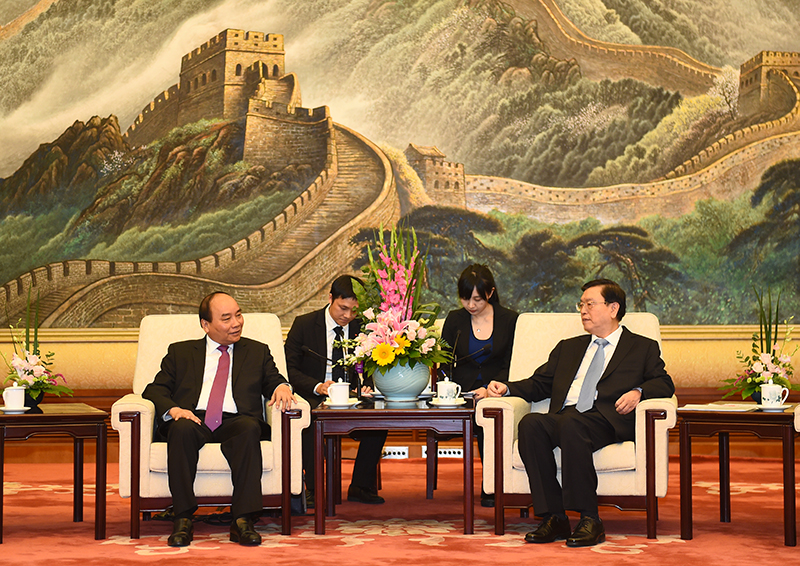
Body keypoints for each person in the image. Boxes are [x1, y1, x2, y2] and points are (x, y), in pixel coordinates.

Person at [486, 279, 674, 547]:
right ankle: (554, 516)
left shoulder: (641, 347)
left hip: (607, 418)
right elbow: (540, 384)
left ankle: (590, 519)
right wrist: (506, 388)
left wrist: (638, 392)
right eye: (581, 304)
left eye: (590, 304)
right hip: (567, 416)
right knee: (531, 424)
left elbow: (664, 383)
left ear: (613, 308)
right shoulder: (569, 347)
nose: (583, 310)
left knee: (572, 423)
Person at [142, 291, 296, 547]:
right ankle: (182, 518)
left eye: (238, 315)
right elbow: (155, 390)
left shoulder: (257, 351)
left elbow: (274, 380)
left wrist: (282, 386)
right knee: (180, 430)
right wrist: (175, 410)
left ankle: (243, 520)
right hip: (194, 418)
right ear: (206, 324)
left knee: (249, 429)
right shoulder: (181, 352)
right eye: (226, 318)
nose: (236, 323)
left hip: (236, 420)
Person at [285, 275, 388, 507]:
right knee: (310, 420)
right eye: (343, 308)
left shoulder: (362, 328)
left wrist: (367, 384)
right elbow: (289, 369)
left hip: (353, 397)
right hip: (315, 395)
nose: (348, 316)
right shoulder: (304, 325)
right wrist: (318, 386)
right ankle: (313, 489)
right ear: (330, 298)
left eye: (354, 310)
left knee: (379, 421)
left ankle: (360, 486)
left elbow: (373, 365)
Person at [440, 264, 518, 507]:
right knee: (476, 413)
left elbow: (512, 362)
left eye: (477, 299)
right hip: (461, 393)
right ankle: (490, 483)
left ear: (490, 293)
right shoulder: (455, 320)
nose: (471, 305)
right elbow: (443, 360)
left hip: (496, 391)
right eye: (466, 299)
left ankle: (491, 485)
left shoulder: (510, 320)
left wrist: (492, 388)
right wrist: (452, 389)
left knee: (489, 416)